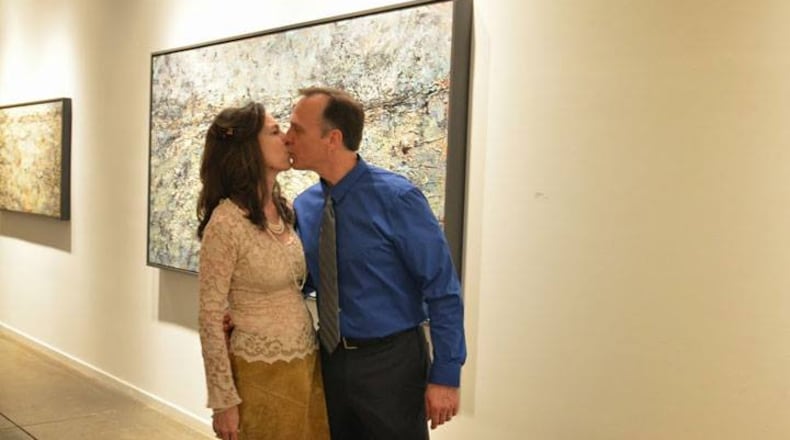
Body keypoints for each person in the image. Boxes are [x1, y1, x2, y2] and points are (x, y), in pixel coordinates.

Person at [285, 87, 467, 439]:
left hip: (392, 364)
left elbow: (442, 288)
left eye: (297, 130)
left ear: (332, 138)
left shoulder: (397, 198)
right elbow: (306, 280)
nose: (288, 139)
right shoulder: (304, 207)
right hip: (330, 360)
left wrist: (446, 374)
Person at [196, 102, 329, 440]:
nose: (286, 138)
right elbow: (210, 318)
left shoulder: (284, 211)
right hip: (260, 373)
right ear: (247, 149)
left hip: (306, 365)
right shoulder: (225, 223)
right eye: (274, 131)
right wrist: (223, 401)